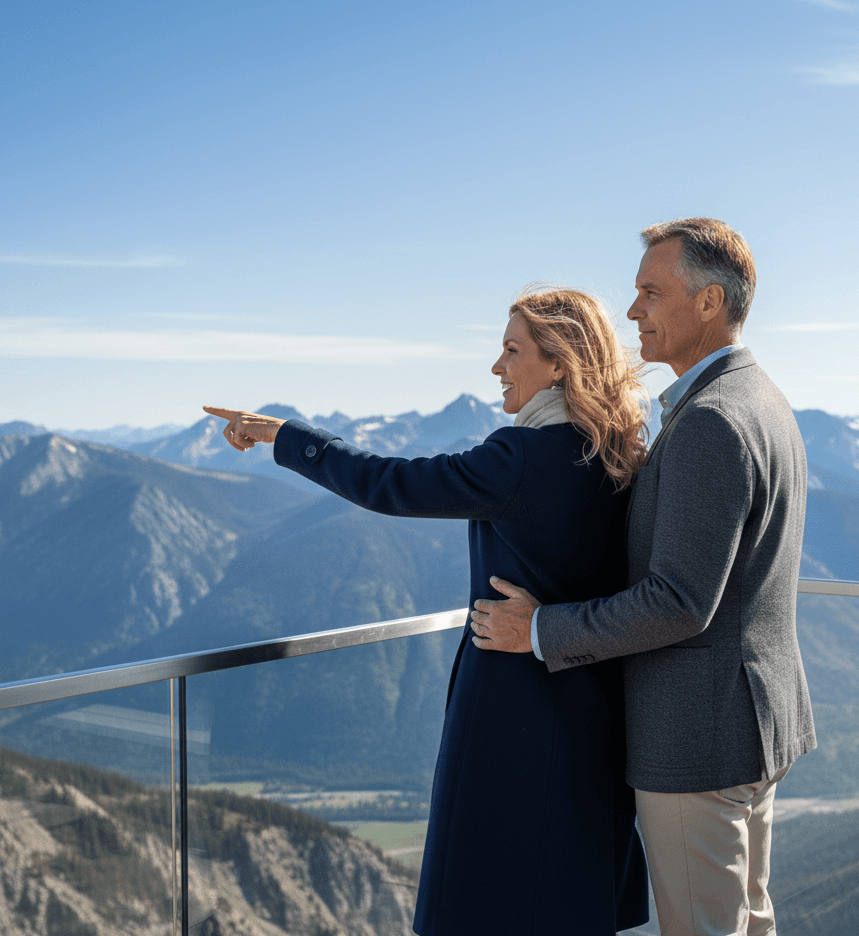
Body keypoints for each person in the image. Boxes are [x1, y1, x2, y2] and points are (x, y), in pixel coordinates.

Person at [203, 287, 650, 936]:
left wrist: (286, 437)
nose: (497, 366)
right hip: (594, 706)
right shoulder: (616, 455)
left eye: (511, 350)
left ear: (559, 364)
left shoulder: (520, 456)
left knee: (486, 895)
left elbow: (391, 483)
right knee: (566, 892)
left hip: (511, 702)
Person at [472, 219, 817, 936]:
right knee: (750, 922)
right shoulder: (763, 399)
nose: (633, 313)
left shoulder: (712, 422)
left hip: (697, 740)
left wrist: (538, 628)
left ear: (708, 303)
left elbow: (680, 602)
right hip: (752, 723)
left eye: (650, 293)